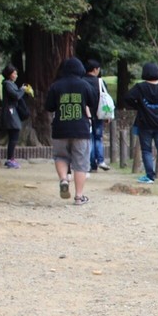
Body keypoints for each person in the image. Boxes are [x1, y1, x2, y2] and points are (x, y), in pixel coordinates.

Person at [46, 57, 96, 205]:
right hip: (81, 129)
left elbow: (48, 106)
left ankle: (63, 179)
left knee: (60, 156)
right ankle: (79, 197)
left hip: (60, 128)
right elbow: (93, 102)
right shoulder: (85, 85)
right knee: (81, 163)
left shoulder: (56, 86)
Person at [125, 62, 158, 185]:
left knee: (146, 150)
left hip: (145, 123)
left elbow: (127, 98)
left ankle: (150, 176)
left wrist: (138, 106)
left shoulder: (140, 87)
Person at [0, 64, 32, 169]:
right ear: (9, 74)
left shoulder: (11, 84)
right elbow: (16, 95)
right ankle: (10, 159)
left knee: (14, 135)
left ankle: (11, 158)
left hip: (13, 112)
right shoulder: (7, 84)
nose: (16, 75)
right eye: (14, 73)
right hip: (10, 112)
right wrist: (22, 89)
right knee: (14, 133)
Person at [83, 59, 110, 172]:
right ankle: (100, 160)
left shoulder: (82, 81)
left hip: (85, 114)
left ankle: (91, 164)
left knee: (89, 138)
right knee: (98, 138)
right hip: (99, 114)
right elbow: (106, 99)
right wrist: (107, 114)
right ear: (95, 69)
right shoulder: (100, 82)